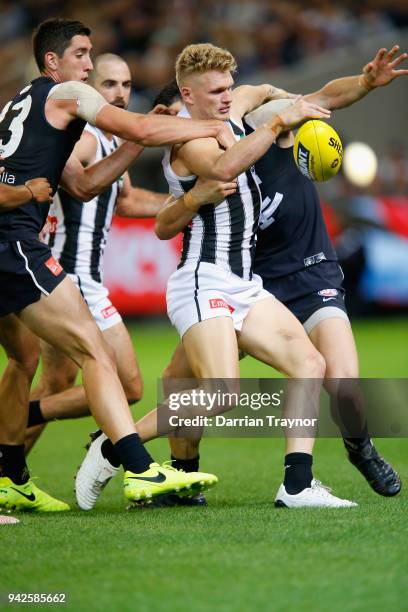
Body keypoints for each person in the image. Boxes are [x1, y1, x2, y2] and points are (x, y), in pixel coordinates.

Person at [78, 43, 361, 510]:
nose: (227, 98)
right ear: (187, 94)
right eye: (215, 91)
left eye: (230, 87)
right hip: (202, 279)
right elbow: (225, 166)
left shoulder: (237, 102)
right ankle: (112, 446)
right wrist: (274, 124)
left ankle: (297, 485)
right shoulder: (189, 138)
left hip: (244, 283)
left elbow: (272, 91)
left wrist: (287, 98)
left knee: (310, 365)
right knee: (221, 393)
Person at [0, 19, 232, 513]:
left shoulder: (22, 104)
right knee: (94, 359)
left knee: (25, 360)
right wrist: (209, 125)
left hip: (20, 248)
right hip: (21, 247)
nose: (88, 63)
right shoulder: (66, 95)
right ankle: (137, 467)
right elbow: (144, 129)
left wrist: (185, 198)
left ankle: (10, 473)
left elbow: (88, 187)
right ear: (53, 63)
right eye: (83, 55)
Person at [158, 45, 407, 501]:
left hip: (312, 276)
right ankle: (182, 474)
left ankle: (360, 446)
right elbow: (168, 216)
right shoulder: (215, 163)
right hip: (253, 284)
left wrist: (367, 82)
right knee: (182, 379)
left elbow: (326, 97)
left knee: (343, 385)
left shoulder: (263, 118)